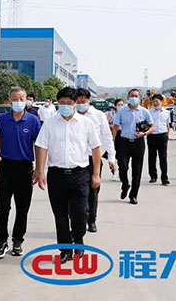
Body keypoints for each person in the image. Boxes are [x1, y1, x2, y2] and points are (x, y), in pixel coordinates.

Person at [33, 87, 102, 264]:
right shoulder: (50, 123)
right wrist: (40, 171)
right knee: (60, 215)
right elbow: (41, 146)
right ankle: (65, 250)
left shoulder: (86, 123)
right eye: (62, 103)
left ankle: (78, 240)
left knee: (81, 213)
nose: (65, 106)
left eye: (69, 103)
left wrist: (96, 174)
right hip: (57, 175)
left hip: (80, 174)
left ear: (75, 104)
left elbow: (96, 148)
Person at [0, 87, 41, 259]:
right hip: (6, 167)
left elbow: (38, 145)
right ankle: (2, 240)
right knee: (3, 206)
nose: (19, 102)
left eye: (22, 98)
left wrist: (39, 169)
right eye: (15, 99)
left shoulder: (33, 121)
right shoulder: (3, 120)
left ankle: (18, 240)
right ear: (9, 101)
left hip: (25, 168)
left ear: (26, 100)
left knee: (22, 207)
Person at [75, 88, 116, 233]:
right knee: (76, 194)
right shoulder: (70, 115)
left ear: (88, 101)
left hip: (93, 159)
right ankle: (78, 221)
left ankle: (91, 220)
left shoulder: (98, 115)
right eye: (78, 101)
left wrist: (111, 157)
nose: (81, 104)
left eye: (84, 101)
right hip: (75, 160)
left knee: (92, 192)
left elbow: (107, 136)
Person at [112, 89, 155, 204]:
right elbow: (115, 127)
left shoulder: (144, 111)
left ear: (139, 98)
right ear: (127, 98)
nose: (134, 98)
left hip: (138, 143)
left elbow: (152, 127)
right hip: (124, 142)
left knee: (137, 170)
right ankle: (125, 184)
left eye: (136, 96)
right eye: (132, 96)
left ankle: (133, 195)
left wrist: (144, 133)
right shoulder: (122, 111)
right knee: (123, 167)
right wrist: (112, 142)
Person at [147, 94, 172, 185]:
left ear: (161, 102)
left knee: (163, 157)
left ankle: (164, 178)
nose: (155, 103)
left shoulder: (166, 113)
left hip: (162, 136)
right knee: (152, 157)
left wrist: (167, 136)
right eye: (153, 101)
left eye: (157, 101)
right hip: (152, 136)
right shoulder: (149, 112)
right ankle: (153, 176)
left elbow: (167, 125)